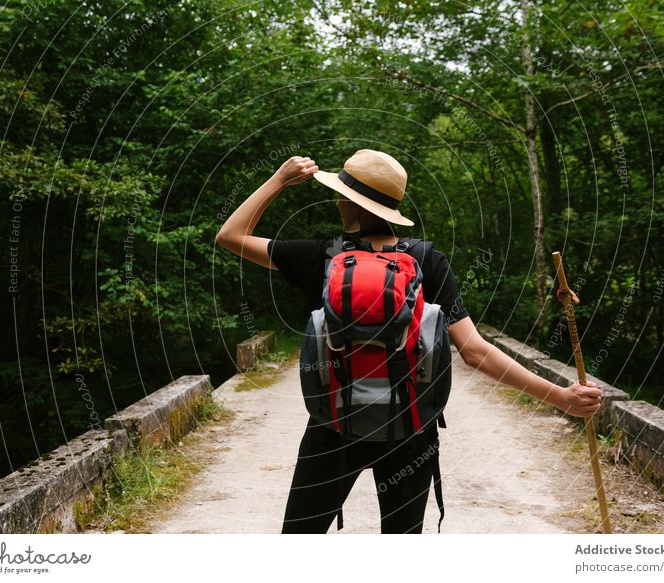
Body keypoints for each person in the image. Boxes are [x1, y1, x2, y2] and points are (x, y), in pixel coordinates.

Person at [215, 150, 603, 534]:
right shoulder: (425, 259)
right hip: (412, 428)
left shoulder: (323, 257)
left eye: (340, 194)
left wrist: (280, 179)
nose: (335, 201)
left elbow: (230, 236)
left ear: (350, 203)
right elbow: (474, 350)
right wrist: (561, 397)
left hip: (334, 426)